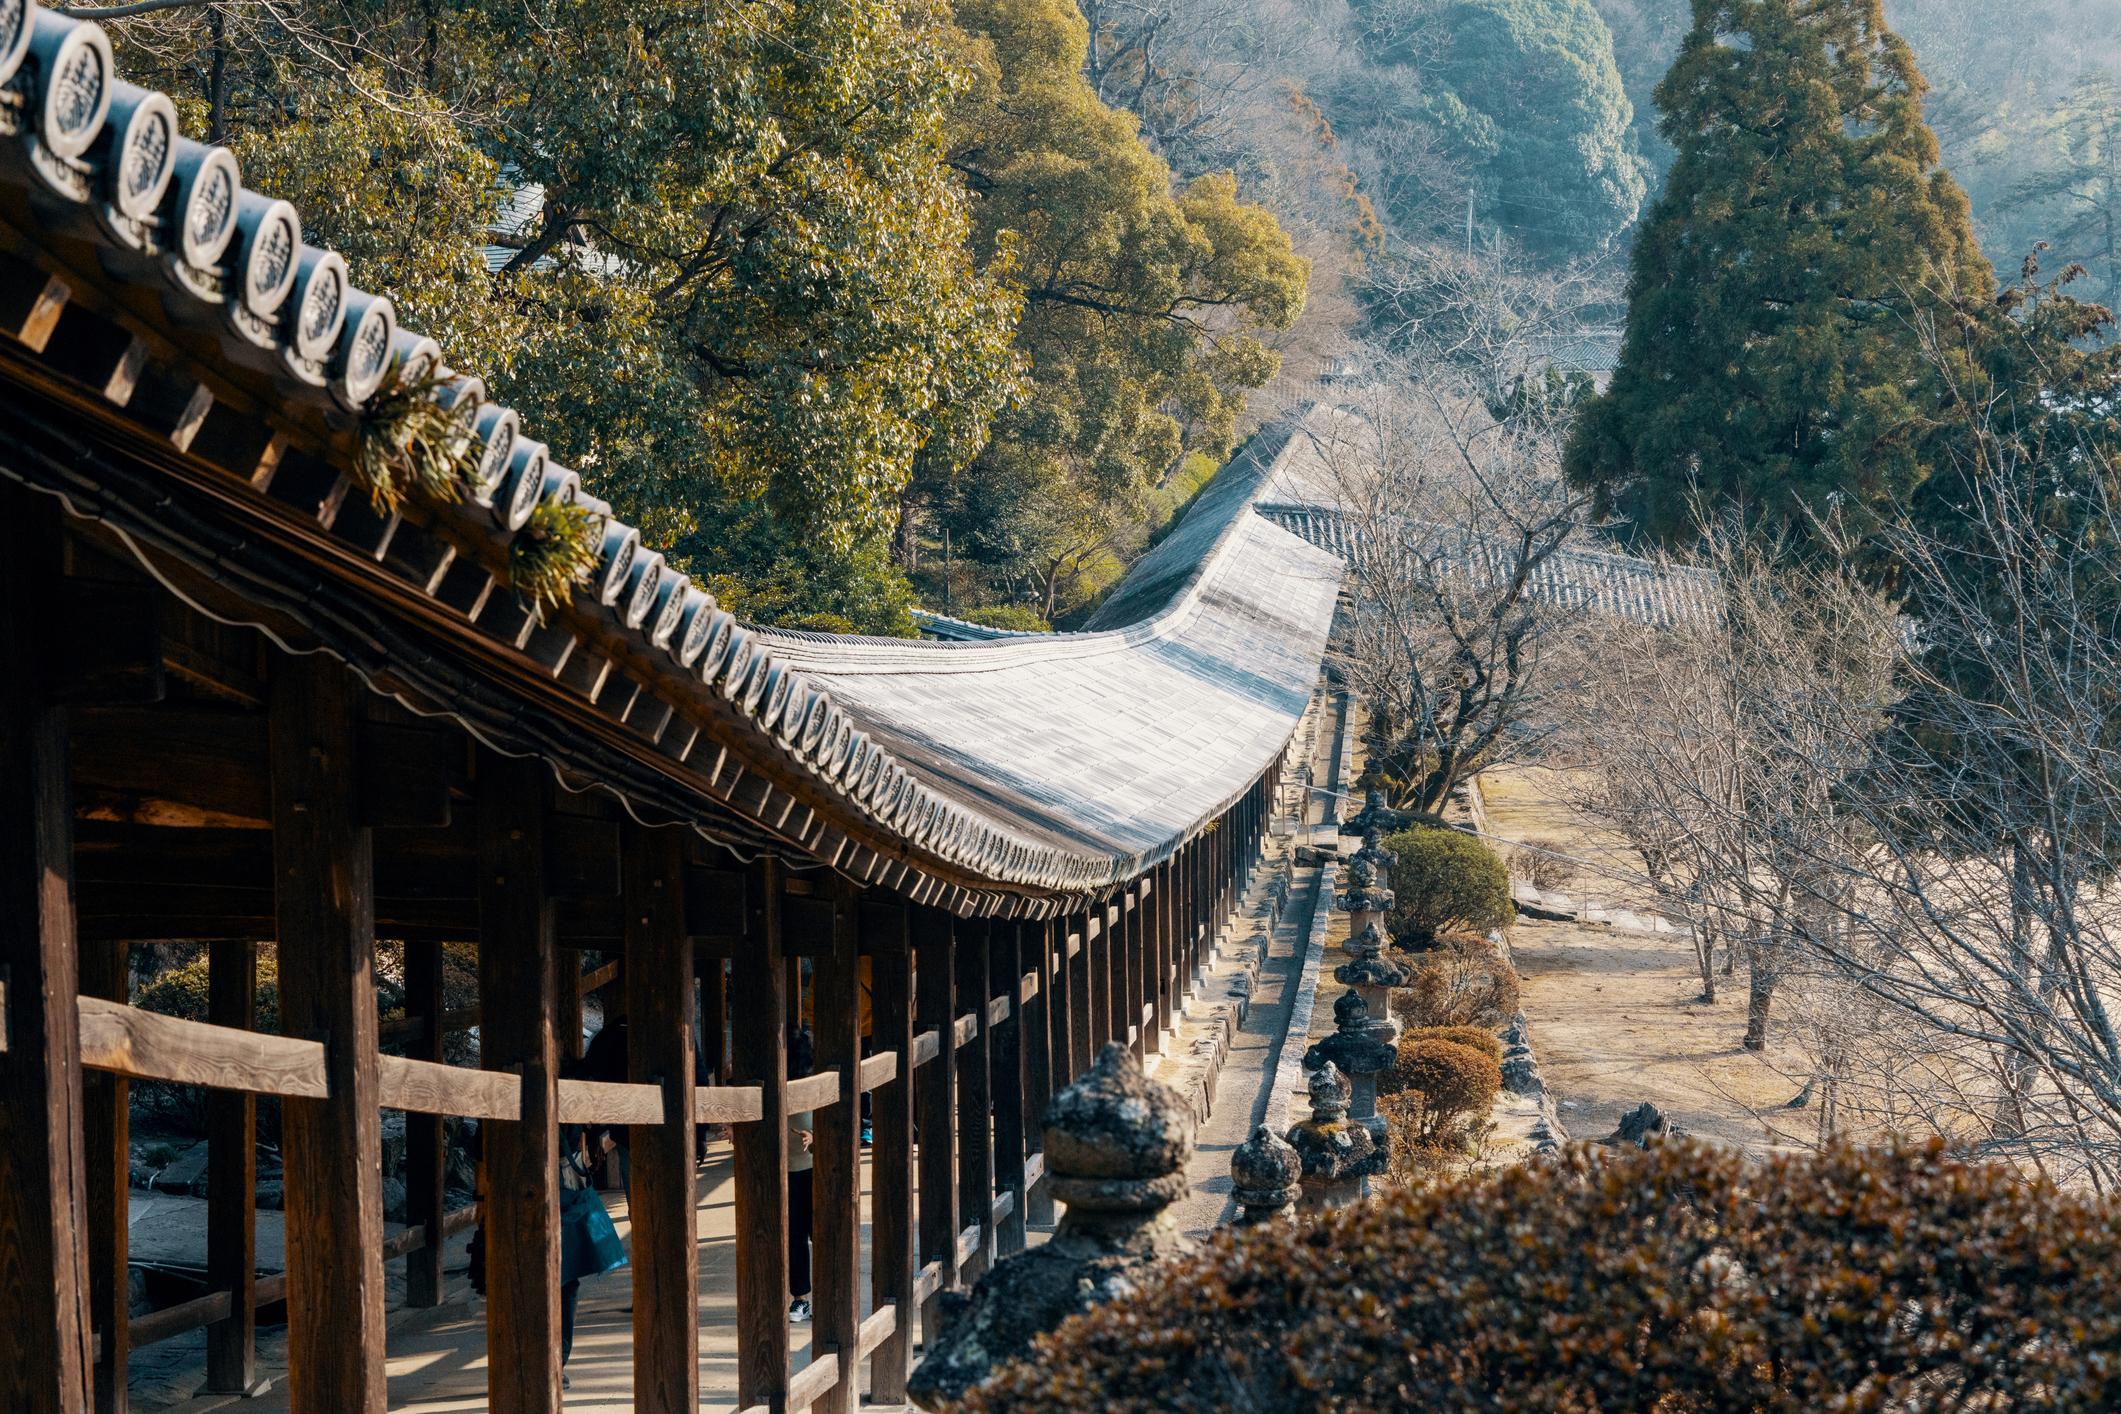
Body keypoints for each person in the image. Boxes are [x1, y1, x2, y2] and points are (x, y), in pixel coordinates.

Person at [787, 1027, 816, 1324]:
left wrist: (814, 1136)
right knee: (794, 1237)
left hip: (813, 1169)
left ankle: (827, 1293)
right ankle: (801, 1299)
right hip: (786, 1171)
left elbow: (839, 1123)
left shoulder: (814, 1083)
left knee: (818, 1233)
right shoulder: (769, 1082)